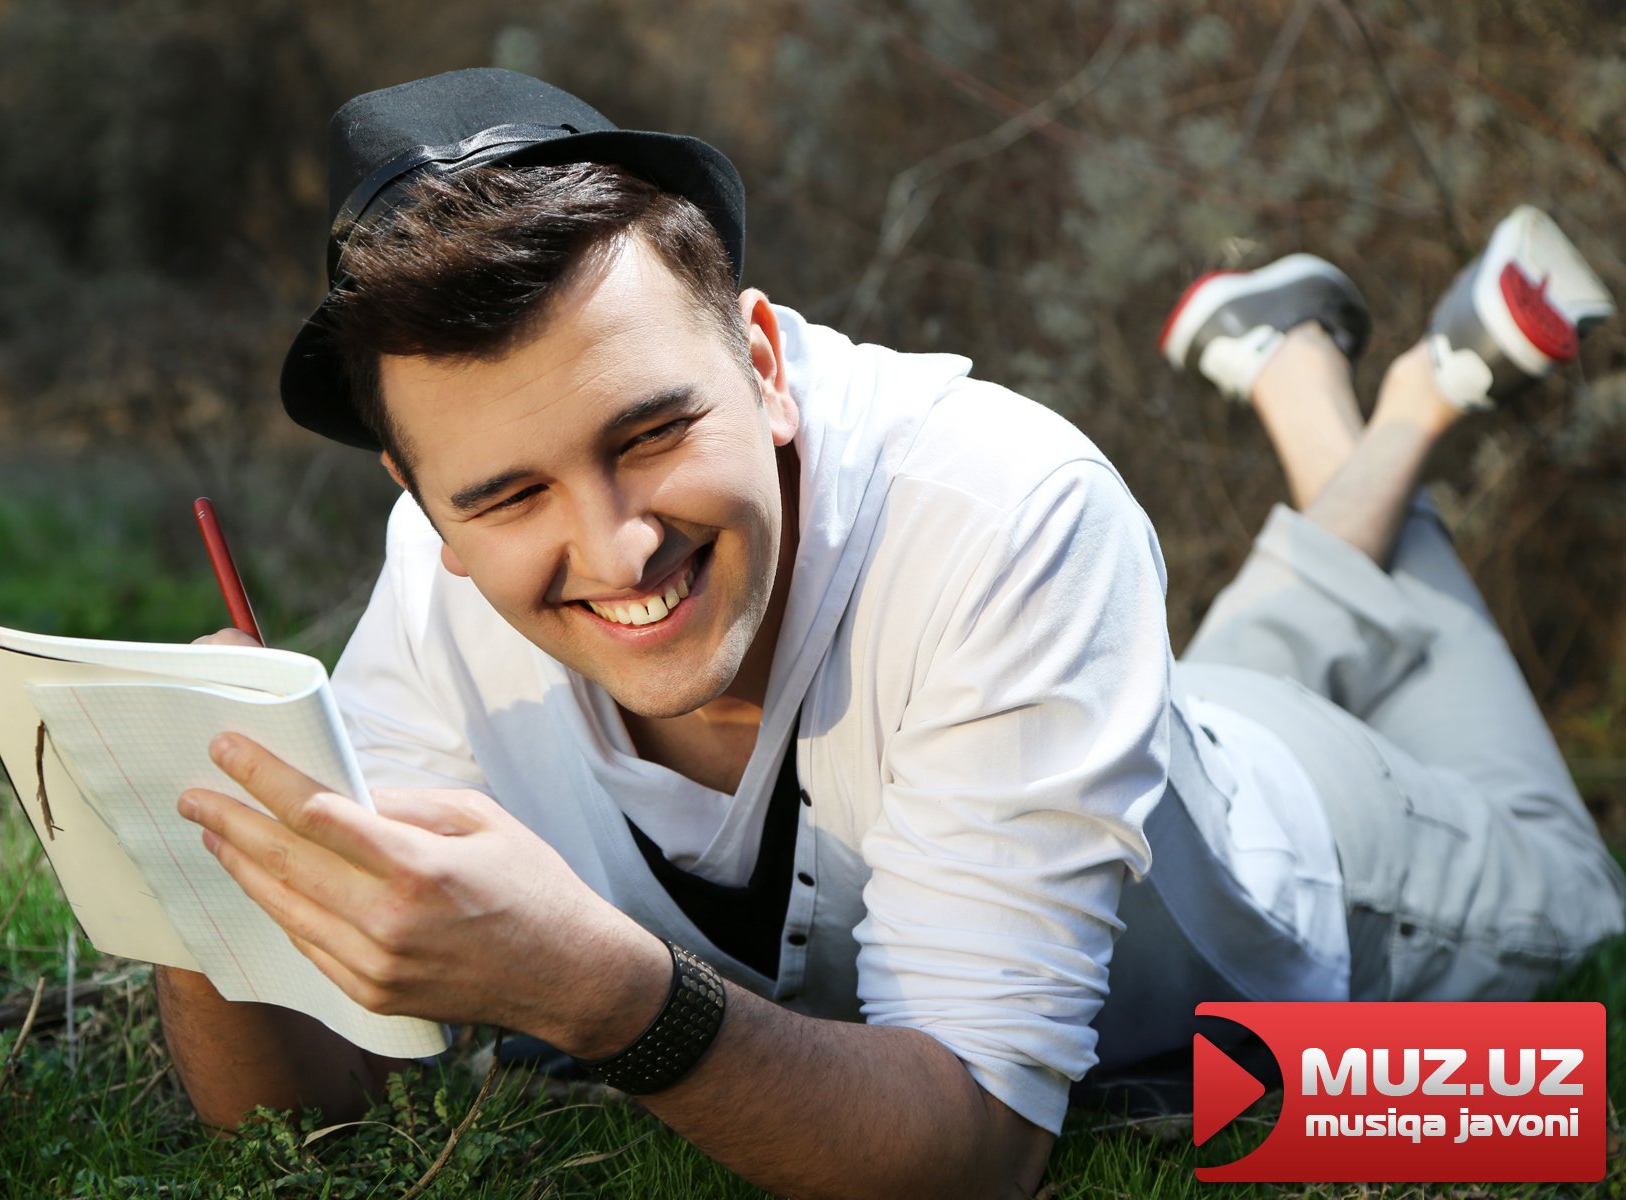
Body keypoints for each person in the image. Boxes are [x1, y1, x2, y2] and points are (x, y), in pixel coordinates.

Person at [158, 69, 1626, 1198]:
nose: (616, 549)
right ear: (419, 498)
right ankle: (1312, 378)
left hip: (1334, 857)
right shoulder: (437, 582)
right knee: (1214, 667)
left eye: (652, 433)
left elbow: (975, 1160)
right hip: (1113, 717)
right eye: (506, 495)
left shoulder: (1007, 510)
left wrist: (602, 995)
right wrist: (187, 859)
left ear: (762, 360)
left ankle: (1409, 403)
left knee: (1582, 900)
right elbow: (303, 1113)